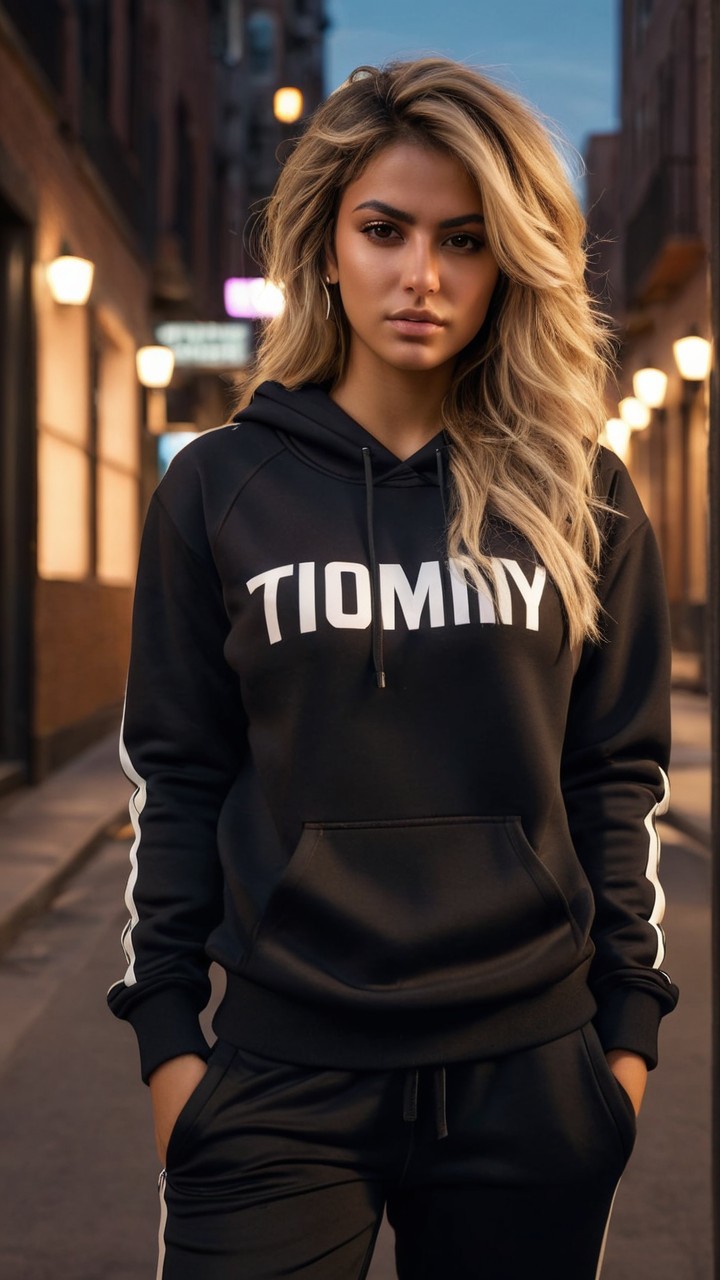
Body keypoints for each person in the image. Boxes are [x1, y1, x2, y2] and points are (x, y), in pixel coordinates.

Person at [108, 57, 678, 1279]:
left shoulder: (581, 494)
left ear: (508, 262)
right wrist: (171, 1044)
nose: (422, 275)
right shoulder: (219, 486)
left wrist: (622, 1047)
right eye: (386, 229)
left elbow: (612, 779)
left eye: (464, 240)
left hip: (531, 1081)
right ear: (326, 244)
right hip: (280, 1076)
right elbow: (183, 773)